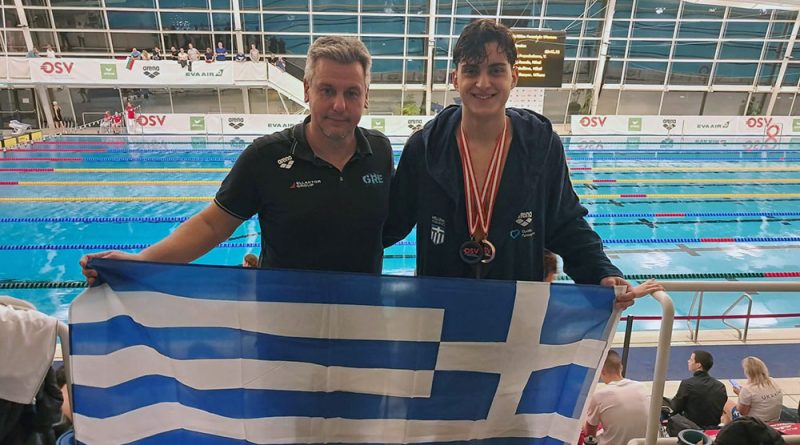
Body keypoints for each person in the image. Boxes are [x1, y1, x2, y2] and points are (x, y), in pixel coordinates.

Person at [81, 36, 392, 283]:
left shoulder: (380, 151)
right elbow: (212, 226)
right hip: (284, 319)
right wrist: (140, 262)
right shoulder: (266, 156)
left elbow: (393, 223)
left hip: (361, 316)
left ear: (366, 96)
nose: (339, 105)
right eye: (327, 90)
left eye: (351, 93)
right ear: (307, 90)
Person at [382, 19, 635, 308]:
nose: (483, 83)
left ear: (513, 76)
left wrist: (601, 272)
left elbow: (565, 222)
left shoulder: (542, 146)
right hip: (440, 307)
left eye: (496, 70)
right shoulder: (425, 148)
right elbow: (392, 222)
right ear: (455, 78)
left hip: (517, 311)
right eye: (471, 70)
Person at [584, 350, 649, 445]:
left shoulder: (599, 396)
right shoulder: (642, 387)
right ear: (621, 368)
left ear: (601, 371)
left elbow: (589, 435)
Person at [670, 350, 727, 431]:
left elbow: (676, 407)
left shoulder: (687, 384)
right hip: (713, 428)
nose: (688, 361)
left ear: (698, 365)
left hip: (691, 429)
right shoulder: (720, 386)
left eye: (691, 360)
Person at [723, 357, 783, 423]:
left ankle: (727, 427)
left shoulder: (748, 389)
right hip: (774, 419)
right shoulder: (772, 381)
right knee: (727, 414)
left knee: (726, 403)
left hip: (754, 423)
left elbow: (742, 412)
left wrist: (741, 395)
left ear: (747, 372)